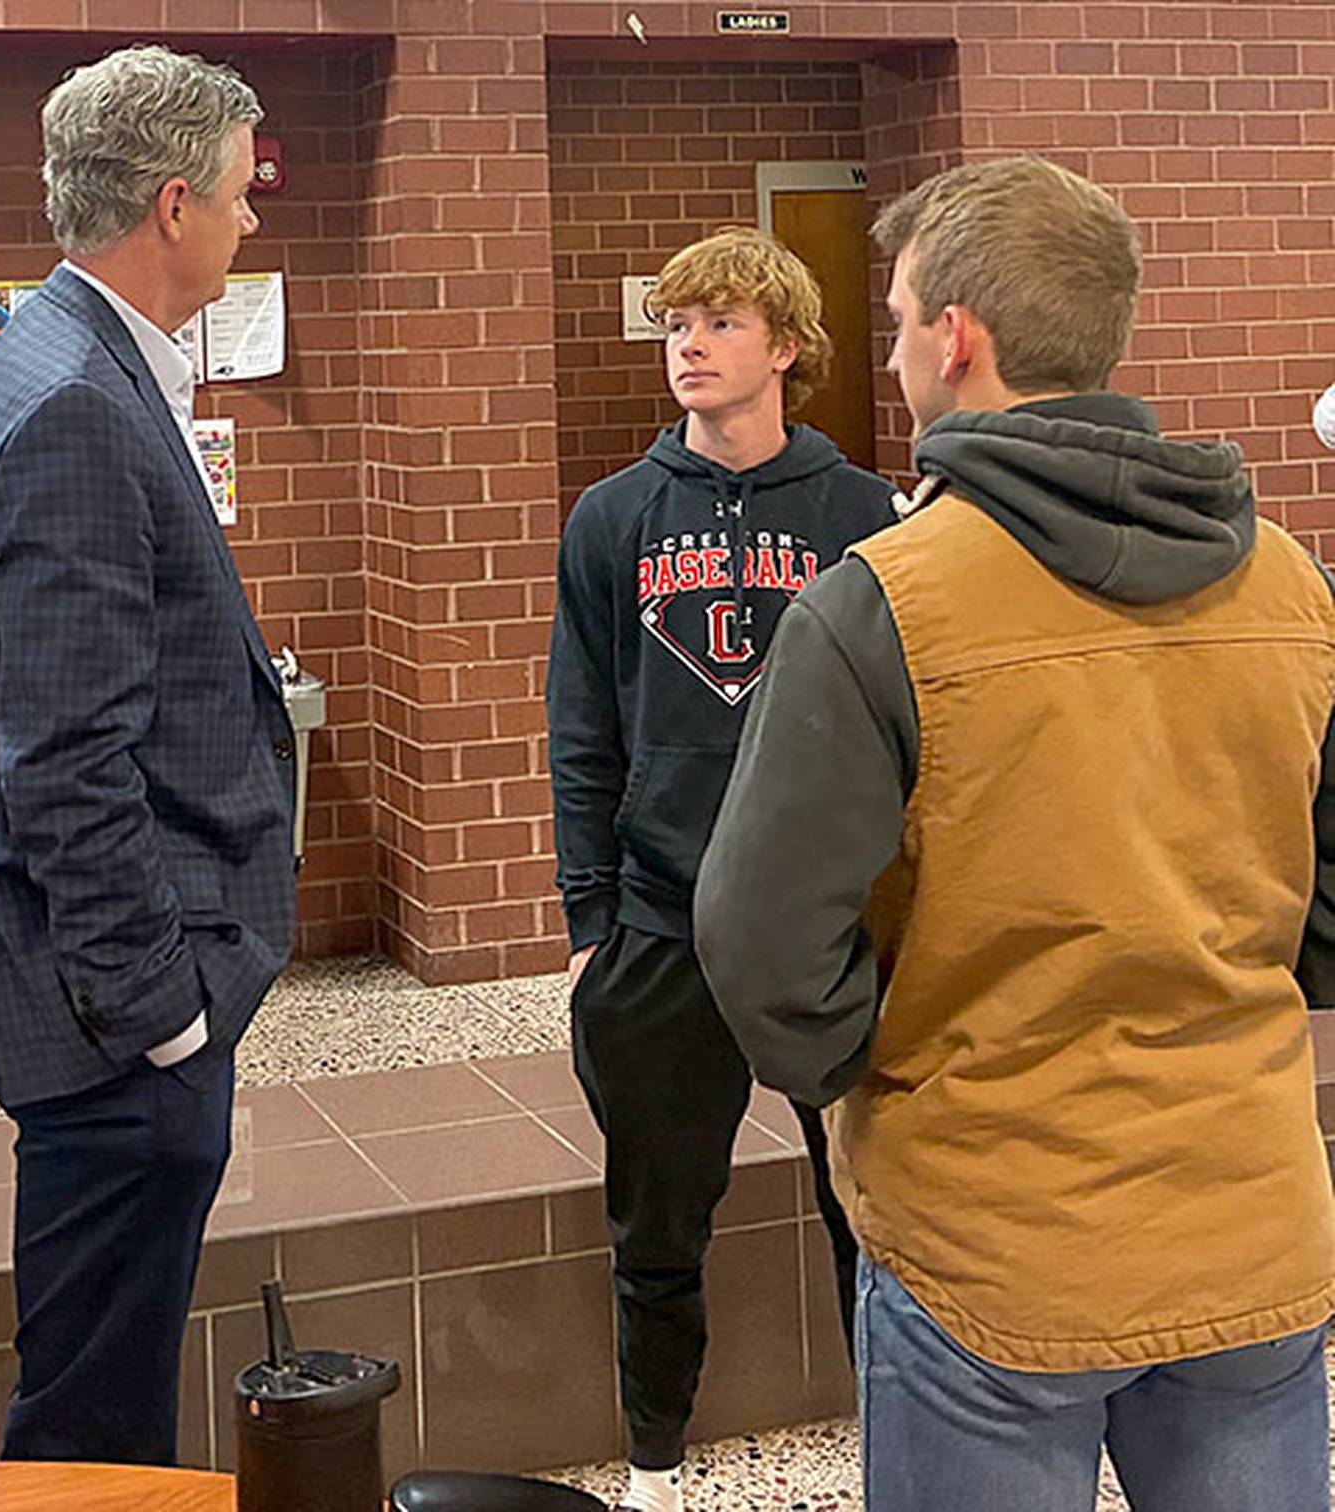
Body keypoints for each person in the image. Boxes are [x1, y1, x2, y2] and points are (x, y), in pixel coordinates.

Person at [694, 155, 1335, 1512]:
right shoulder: (1296, 584)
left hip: (991, 1243)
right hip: (1250, 1221)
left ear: (954, 337)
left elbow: (760, 939)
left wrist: (880, 1077)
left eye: (903, 311)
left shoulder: (881, 603)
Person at [0, 45, 295, 1464]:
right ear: (170, 207)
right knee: (91, 1422)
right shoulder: (78, 402)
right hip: (110, 1024)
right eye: (237, 194)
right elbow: (69, 763)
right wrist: (167, 1016)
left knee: (104, 1384)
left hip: (85, 998)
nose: (250, 219)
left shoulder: (55, 358)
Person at [547, 225, 895, 1512]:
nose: (687, 345)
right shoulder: (613, 516)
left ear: (787, 349)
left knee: (869, 1213)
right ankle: (654, 1466)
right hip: (658, 924)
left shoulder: (863, 512)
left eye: (720, 324)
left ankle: (893, 1454)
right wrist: (592, 922)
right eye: (675, 325)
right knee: (656, 1226)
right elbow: (581, 725)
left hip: (821, 923)